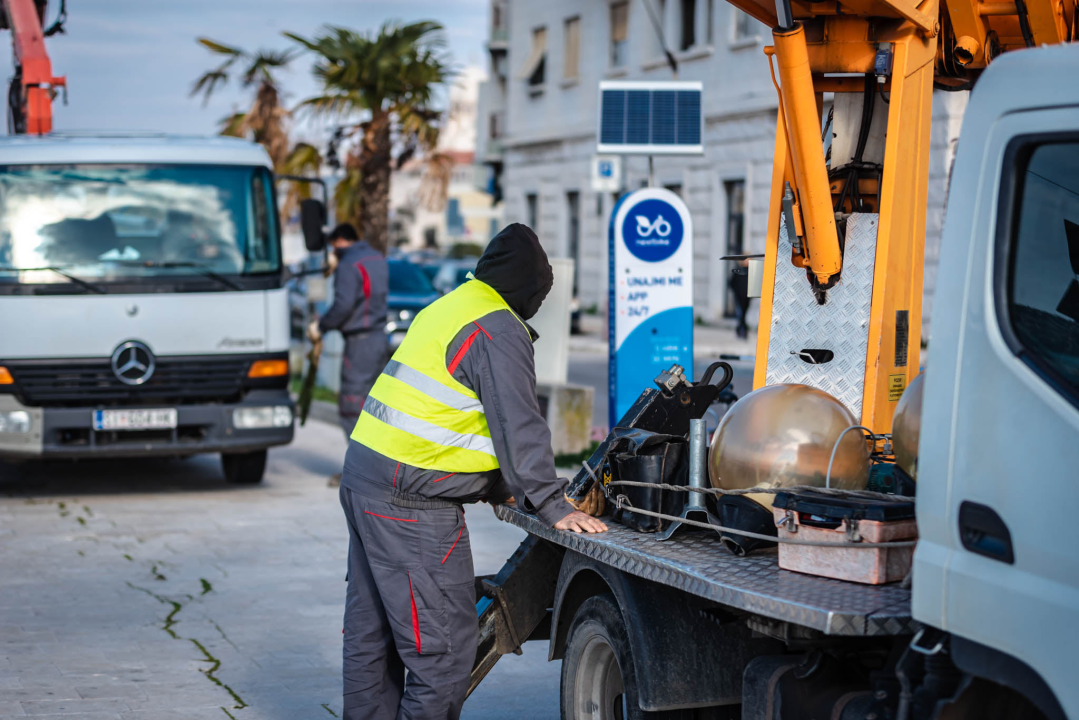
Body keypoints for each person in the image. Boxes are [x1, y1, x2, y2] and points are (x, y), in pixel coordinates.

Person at [338, 223, 607, 720]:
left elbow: (456, 418)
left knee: (372, 641)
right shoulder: (498, 327)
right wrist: (551, 503)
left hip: (365, 480)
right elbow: (517, 422)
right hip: (410, 504)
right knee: (440, 657)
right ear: (530, 291)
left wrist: (500, 487)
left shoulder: (454, 304)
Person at [307, 223, 389, 439]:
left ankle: (358, 469)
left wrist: (321, 326)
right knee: (376, 405)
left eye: (333, 247)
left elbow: (343, 305)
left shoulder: (349, 264)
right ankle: (378, 467)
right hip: (379, 339)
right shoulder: (377, 258)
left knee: (352, 405)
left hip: (359, 343)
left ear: (339, 241)